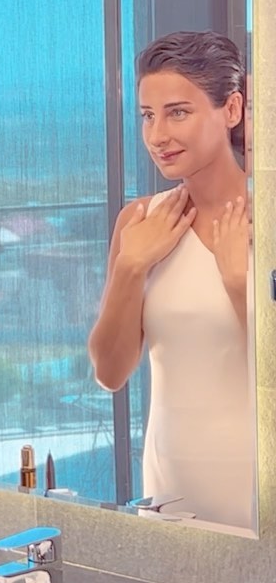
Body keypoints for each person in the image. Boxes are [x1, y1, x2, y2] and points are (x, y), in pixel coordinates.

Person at [88, 30, 253, 528]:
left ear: (231, 109)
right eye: (147, 115)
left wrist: (240, 282)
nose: (158, 135)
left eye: (178, 112)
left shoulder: (264, 219)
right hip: (169, 497)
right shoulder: (140, 221)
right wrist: (130, 267)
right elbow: (110, 372)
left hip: (257, 496)